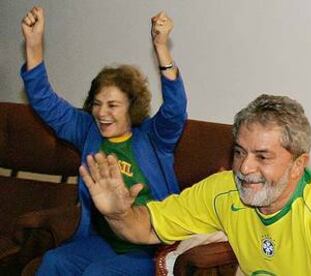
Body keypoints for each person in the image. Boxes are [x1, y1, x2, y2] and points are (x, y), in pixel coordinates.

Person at [80, 94, 311, 275]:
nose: (245, 167)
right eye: (240, 152)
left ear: (298, 165)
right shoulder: (223, 191)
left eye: (263, 156)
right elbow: (145, 228)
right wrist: (119, 214)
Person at [21, 6, 187, 275]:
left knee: (97, 274)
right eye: (97, 104)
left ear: (131, 107)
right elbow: (45, 101)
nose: (102, 113)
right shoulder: (88, 131)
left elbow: (175, 110)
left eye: (112, 105)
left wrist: (161, 47)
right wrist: (33, 45)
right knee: (53, 261)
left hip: (148, 247)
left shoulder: (153, 139)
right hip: (103, 242)